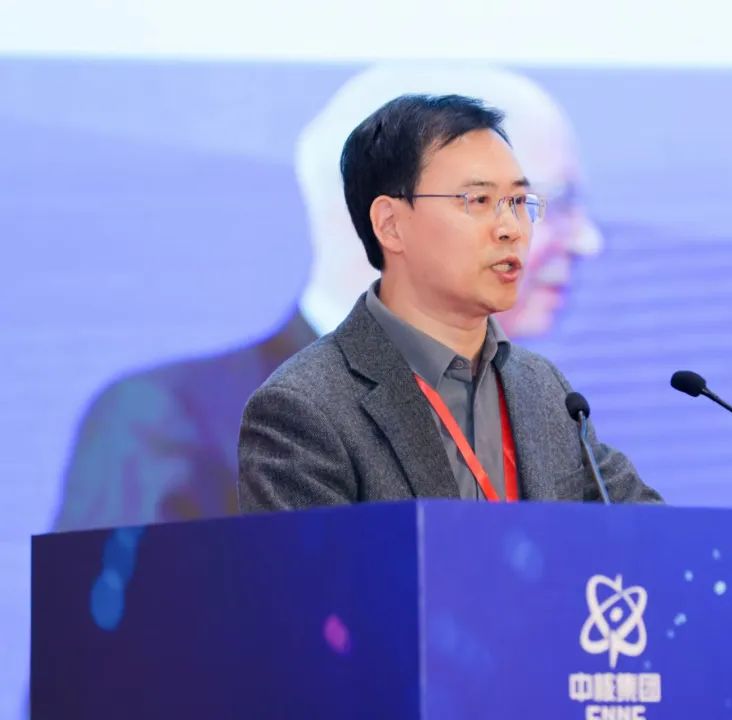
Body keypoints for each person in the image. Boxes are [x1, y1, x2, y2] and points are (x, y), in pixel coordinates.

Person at [51, 64, 603, 531]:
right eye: (541, 203)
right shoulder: (169, 420)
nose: (586, 240)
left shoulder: (541, 403)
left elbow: (632, 553)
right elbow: (115, 622)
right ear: (390, 223)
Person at [238, 94, 661, 507]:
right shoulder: (304, 408)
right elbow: (316, 559)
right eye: (478, 201)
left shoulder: (543, 388)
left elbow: (653, 534)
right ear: (390, 224)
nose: (512, 228)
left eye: (518, 202)